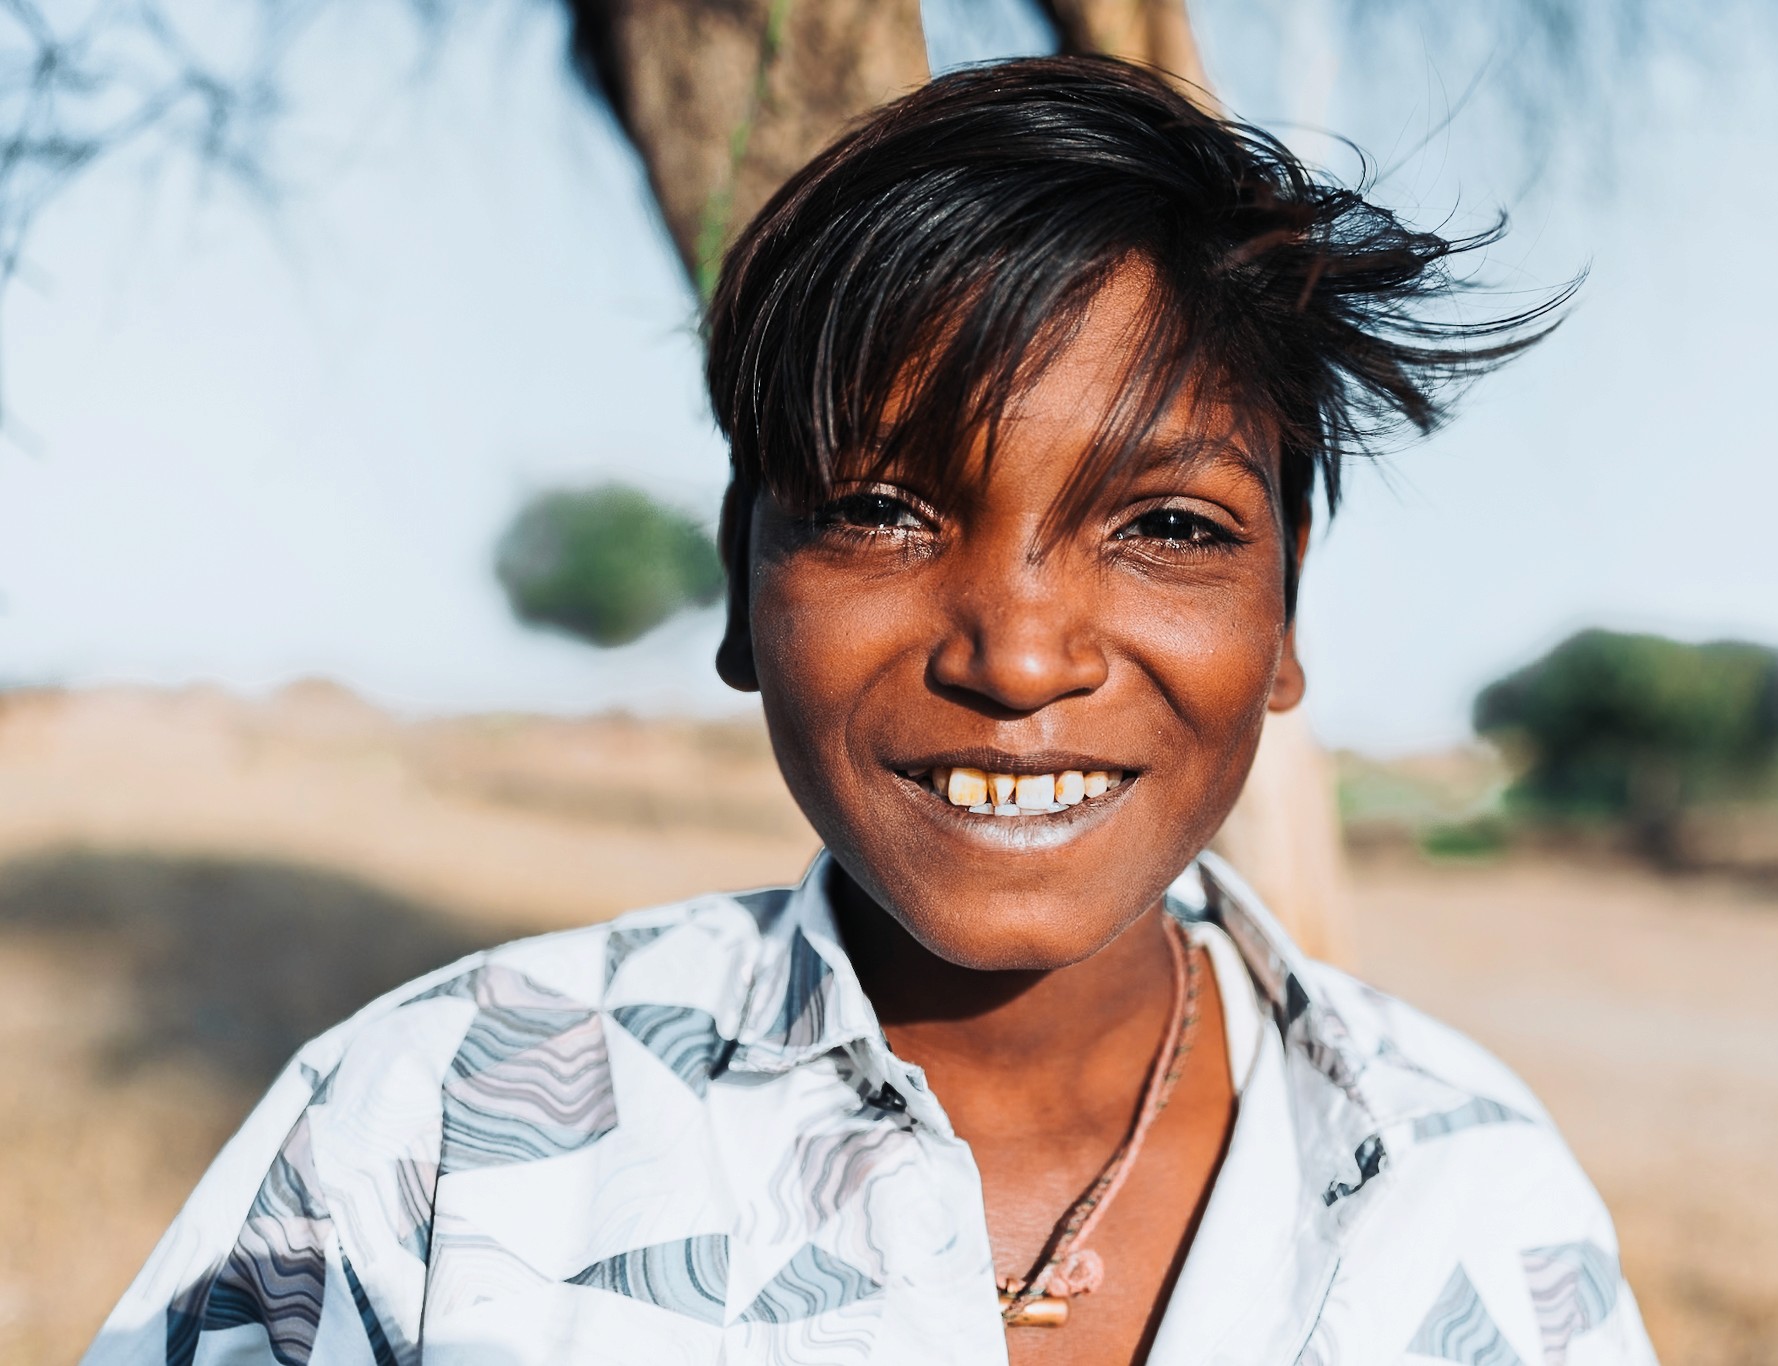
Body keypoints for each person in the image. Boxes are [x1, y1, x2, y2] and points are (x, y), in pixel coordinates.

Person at [87, 56, 1656, 1366]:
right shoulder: (438, 1128)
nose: (1021, 657)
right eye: (883, 509)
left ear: (1286, 612)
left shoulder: (1469, 1192)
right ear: (740, 587)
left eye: (1167, 527)